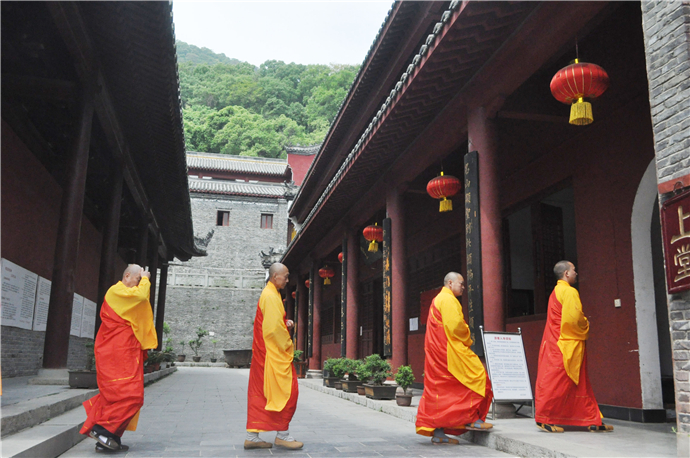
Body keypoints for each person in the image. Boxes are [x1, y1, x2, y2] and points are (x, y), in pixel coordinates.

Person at [81, 264, 158, 452]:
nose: (140, 283)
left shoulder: (127, 296)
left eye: (141, 281)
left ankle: (110, 438)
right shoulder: (116, 291)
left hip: (126, 350)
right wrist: (146, 278)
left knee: (116, 396)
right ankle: (101, 430)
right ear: (127, 275)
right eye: (138, 279)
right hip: (116, 352)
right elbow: (141, 296)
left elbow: (142, 302)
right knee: (130, 395)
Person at [535, 260, 613, 433]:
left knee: (578, 383)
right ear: (567, 274)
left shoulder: (556, 291)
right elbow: (572, 319)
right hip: (565, 345)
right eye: (574, 270)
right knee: (558, 381)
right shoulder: (569, 291)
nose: (576, 273)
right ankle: (544, 418)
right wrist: (586, 323)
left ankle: (591, 419)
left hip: (557, 342)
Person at [415, 272, 493, 444]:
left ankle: (439, 433)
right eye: (461, 284)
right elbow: (456, 327)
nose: (463, 287)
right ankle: (471, 418)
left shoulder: (439, 299)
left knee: (443, 393)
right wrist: (468, 335)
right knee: (478, 376)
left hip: (439, 354)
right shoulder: (448, 300)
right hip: (449, 352)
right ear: (450, 283)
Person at [245, 263, 302, 450]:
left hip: (264, 354)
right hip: (271, 355)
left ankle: (252, 437)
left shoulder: (272, 293)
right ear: (275, 276)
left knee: (261, 394)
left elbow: (272, 323)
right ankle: (283, 435)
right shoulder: (270, 295)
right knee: (287, 391)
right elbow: (272, 331)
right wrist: (287, 343)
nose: (287, 280)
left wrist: (284, 323)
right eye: (285, 276)